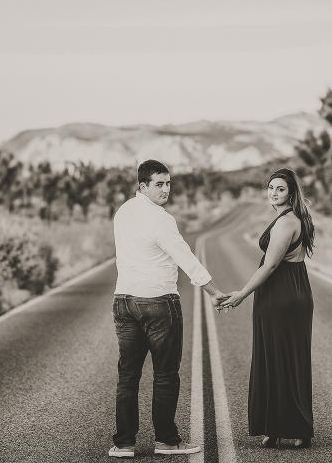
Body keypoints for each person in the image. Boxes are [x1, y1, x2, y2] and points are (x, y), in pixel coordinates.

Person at [109, 160, 229, 459]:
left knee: (128, 375)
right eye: (159, 184)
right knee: (165, 374)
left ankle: (123, 443)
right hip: (159, 303)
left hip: (124, 300)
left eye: (168, 183)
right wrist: (214, 292)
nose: (166, 189)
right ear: (143, 186)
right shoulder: (161, 220)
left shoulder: (123, 211)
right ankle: (167, 441)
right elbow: (186, 258)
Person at [220, 168, 316, 449]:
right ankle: (275, 428)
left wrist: (242, 294)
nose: (273, 193)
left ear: (291, 193)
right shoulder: (289, 218)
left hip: (282, 296)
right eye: (270, 187)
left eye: (280, 189)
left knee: (282, 360)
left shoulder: (287, 223)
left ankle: (296, 428)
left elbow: (272, 265)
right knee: (278, 359)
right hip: (288, 293)